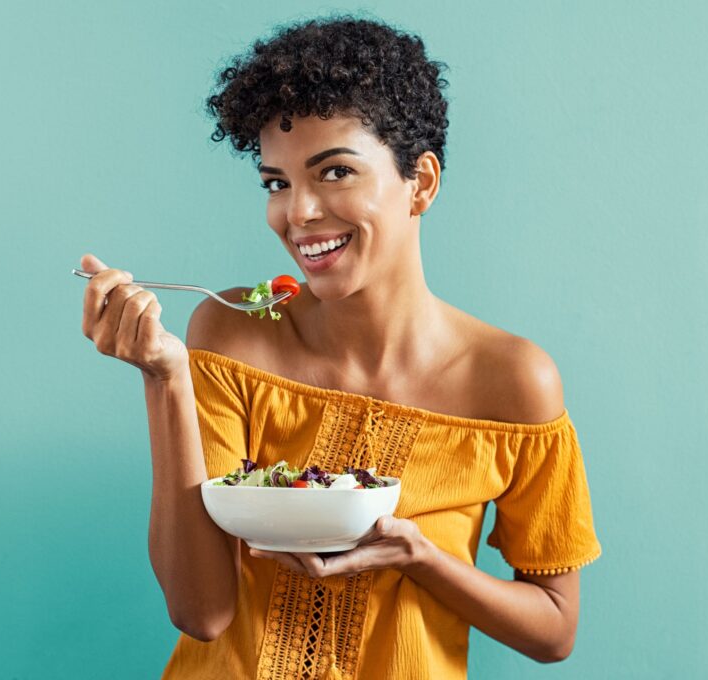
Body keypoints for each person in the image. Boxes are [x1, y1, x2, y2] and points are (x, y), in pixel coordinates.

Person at [79, 15, 601, 680]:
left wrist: (421, 559)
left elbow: (555, 628)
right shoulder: (234, 331)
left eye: (334, 173)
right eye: (277, 182)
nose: (297, 213)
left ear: (422, 183)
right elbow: (200, 611)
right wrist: (164, 379)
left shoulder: (513, 380)